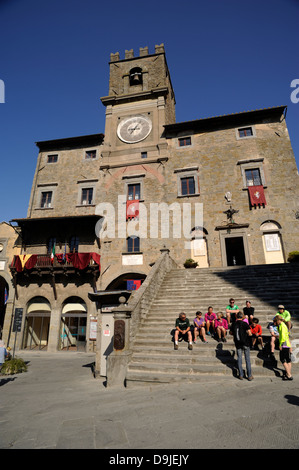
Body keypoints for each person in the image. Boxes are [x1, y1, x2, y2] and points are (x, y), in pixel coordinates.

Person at [230, 311, 253, 380]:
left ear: (236, 317)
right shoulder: (245, 323)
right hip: (245, 343)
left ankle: (241, 375)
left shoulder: (234, 324)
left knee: (239, 359)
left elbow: (231, 333)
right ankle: (249, 375)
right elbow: (250, 333)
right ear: (242, 316)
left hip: (238, 343)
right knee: (247, 359)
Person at [276, 315, 293, 380]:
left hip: (284, 344)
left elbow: (282, 336)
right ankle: (288, 373)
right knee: (288, 360)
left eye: (276, 321)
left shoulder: (282, 326)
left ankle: (289, 374)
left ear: (278, 320)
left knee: (282, 359)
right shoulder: (284, 325)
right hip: (287, 344)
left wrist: (280, 344)